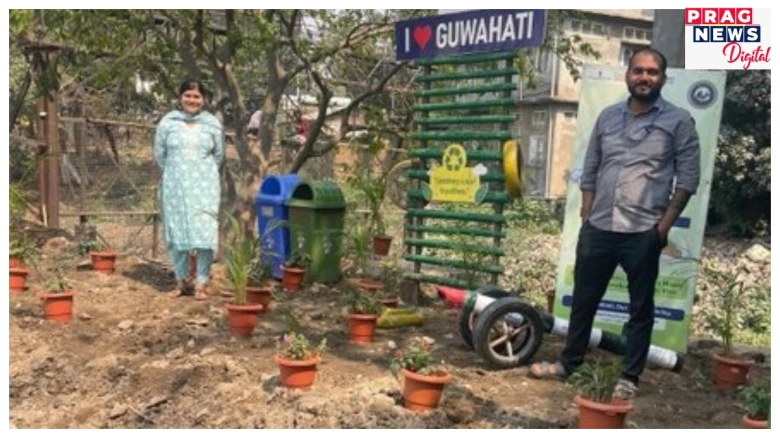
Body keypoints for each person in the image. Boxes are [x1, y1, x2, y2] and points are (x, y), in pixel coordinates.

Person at [529, 49, 701, 401]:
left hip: (643, 231)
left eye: (652, 72)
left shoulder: (679, 121)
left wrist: (662, 228)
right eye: (638, 71)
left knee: (640, 309)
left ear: (663, 79)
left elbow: (688, 179)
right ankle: (569, 363)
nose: (644, 77)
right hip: (600, 226)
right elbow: (590, 168)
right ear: (628, 75)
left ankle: (630, 377)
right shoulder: (607, 117)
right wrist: (588, 215)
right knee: (584, 301)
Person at [154, 79, 224, 300]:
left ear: (203, 100)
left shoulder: (212, 124)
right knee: (177, 231)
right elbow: (160, 155)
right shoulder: (168, 123)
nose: (192, 100)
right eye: (188, 95)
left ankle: (202, 283)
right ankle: (181, 281)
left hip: (205, 186)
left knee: (204, 232)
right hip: (175, 186)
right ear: (180, 97)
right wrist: (178, 172)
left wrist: (200, 172)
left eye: (196, 96)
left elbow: (219, 156)